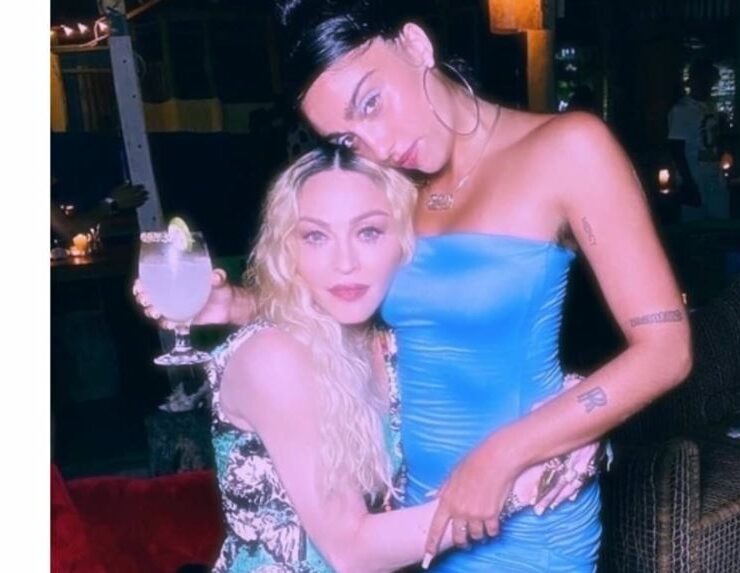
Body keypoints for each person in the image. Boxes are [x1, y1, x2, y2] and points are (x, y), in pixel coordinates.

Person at [140, 2, 691, 570]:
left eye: (371, 102)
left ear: (415, 45)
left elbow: (666, 350)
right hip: (412, 517)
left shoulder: (569, 148)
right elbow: (359, 302)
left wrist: (515, 451)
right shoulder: (392, 184)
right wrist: (238, 303)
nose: (376, 144)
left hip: (527, 506)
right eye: (347, 138)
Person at [200, 144, 588, 572]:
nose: (345, 263)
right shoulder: (272, 356)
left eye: (368, 232)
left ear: (404, 241)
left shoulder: (392, 348)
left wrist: (574, 419)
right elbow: (352, 552)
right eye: (315, 236)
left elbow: (498, 385)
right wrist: (517, 486)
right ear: (287, 250)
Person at [668, 57, 729, 220]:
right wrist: (688, 183)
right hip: (695, 176)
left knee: (720, 223)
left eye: (711, 81)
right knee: (695, 225)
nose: (708, 85)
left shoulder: (710, 107)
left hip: (715, 176)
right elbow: (676, 148)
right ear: (694, 81)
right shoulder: (682, 110)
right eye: (704, 80)